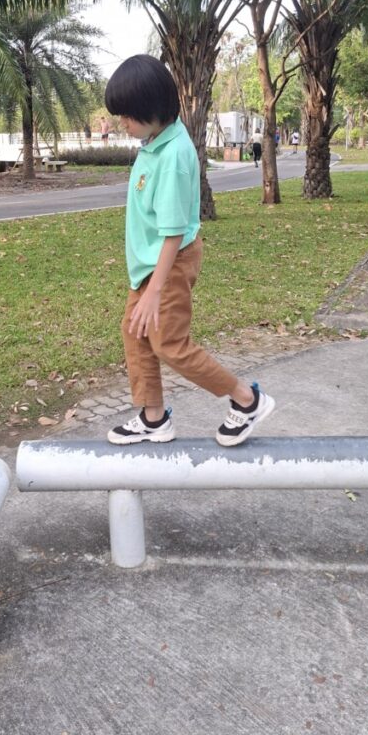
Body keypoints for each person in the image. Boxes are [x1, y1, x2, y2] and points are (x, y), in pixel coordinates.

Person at [103, 54, 275, 447]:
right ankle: (153, 418)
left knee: (169, 343)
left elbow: (173, 232)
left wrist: (155, 291)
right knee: (135, 332)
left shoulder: (174, 156)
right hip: (150, 265)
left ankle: (247, 400)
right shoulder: (155, 141)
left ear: (152, 108)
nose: (122, 123)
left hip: (170, 261)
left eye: (127, 115)